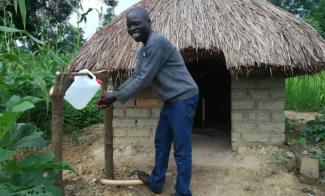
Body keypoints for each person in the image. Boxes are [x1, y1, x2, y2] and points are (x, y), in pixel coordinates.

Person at [96, 7, 199, 196]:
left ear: (148, 22)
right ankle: (157, 181)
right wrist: (115, 92)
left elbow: (143, 78)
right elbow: (136, 75)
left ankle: (183, 191)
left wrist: (115, 97)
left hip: (184, 98)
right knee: (161, 141)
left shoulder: (156, 43)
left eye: (136, 23)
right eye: (129, 25)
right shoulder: (143, 50)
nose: (132, 28)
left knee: (181, 149)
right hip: (171, 100)